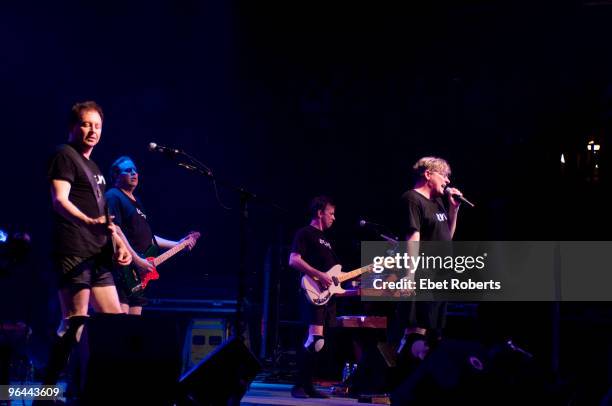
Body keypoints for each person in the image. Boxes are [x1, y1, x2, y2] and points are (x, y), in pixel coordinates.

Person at [44, 100, 132, 384]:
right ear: (73, 127)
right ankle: (48, 390)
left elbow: (102, 214)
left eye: (97, 125)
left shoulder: (94, 166)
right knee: (75, 324)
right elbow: (59, 201)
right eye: (86, 124)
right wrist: (89, 223)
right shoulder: (65, 155)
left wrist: (117, 242)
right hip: (73, 249)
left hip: (97, 255)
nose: (92, 130)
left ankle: (99, 389)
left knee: (113, 322)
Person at [105, 156, 198, 315]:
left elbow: (149, 238)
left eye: (135, 170)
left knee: (133, 330)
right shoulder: (114, 196)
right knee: (119, 326)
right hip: (123, 270)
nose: (134, 173)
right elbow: (115, 230)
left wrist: (178, 244)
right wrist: (138, 260)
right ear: (115, 176)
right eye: (128, 170)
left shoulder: (137, 202)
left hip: (138, 274)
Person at [396, 156, 463, 361]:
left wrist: (454, 209)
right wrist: (409, 274)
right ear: (428, 174)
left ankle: (420, 386)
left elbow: (447, 238)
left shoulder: (439, 203)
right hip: (422, 273)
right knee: (417, 333)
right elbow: (412, 237)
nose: (447, 181)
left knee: (433, 334)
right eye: (443, 175)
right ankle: (402, 383)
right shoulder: (412, 199)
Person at [288, 196, 339, 399]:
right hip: (311, 292)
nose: (334, 218)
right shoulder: (305, 233)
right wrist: (319, 275)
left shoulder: (327, 242)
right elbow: (293, 260)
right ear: (320, 213)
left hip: (325, 297)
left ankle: (308, 385)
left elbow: (334, 276)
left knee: (319, 342)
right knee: (314, 339)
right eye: (331, 213)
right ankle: (299, 386)